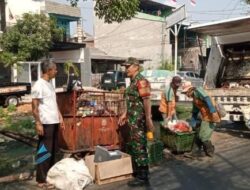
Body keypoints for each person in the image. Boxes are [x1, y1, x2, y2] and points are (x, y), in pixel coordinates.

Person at [118, 57, 154, 187]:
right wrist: (125, 113)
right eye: (125, 67)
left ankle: (143, 176)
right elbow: (133, 100)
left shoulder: (141, 81)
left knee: (140, 145)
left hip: (139, 120)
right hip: (133, 119)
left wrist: (149, 119)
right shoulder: (133, 81)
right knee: (135, 145)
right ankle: (140, 172)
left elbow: (146, 100)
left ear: (136, 67)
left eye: (128, 67)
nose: (126, 69)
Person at [32, 59, 65, 188]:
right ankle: (41, 180)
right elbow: (34, 107)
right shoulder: (39, 85)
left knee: (52, 150)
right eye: (55, 69)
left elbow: (53, 103)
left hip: (54, 121)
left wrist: (60, 117)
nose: (56, 71)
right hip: (45, 123)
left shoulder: (49, 84)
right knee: (44, 151)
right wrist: (38, 123)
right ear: (49, 70)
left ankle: (49, 176)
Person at [181, 81, 221, 157]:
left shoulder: (198, 90)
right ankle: (196, 152)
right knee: (199, 134)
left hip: (212, 116)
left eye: (186, 92)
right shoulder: (194, 99)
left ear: (190, 90)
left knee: (203, 136)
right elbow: (195, 113)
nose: (186, 94)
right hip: (205, 117)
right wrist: (192, 124)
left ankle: (210, 151)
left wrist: (212, 109)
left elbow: (206, 98)